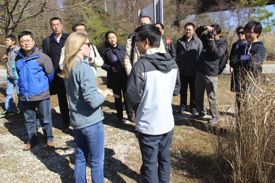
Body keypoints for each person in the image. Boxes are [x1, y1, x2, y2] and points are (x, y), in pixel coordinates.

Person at [126, 24, 180, 183]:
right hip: (167, 122)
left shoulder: (141, 65)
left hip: (149, 124)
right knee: (164, 160)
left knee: (149, 164)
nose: (135, 44)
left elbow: (131, 95)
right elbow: (176, 90)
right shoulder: (172, 63)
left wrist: (143, 103)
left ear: (146, 42)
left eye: (137, 40)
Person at [60, 32, 113, 183]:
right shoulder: (84, 69)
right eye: (88, 44)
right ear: (79, 47)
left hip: (77, 121)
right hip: (91, 122)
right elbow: (92, 101)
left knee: (81, 157)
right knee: (97, 161)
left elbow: (77, 93)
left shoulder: (69, 67)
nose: (90, 47)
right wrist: (104, 94)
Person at [15, 31, 54, 151]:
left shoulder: (42, 57)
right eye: (22, 41)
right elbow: (18, 73)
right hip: (25, 95)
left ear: (33, 41)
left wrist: (40, 85)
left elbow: (50, 74)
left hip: (41, 94)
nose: (25, 43)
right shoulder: (17, 57)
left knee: (45, 118)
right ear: (19, 43)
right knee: (29, 119)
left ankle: (49, 139)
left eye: (28, 40)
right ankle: (32, 139)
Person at [195, 24, 228, 125]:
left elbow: (216, 54)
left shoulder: (223, 43)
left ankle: (215, 116)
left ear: (218, 34)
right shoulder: (206, 38)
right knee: (198, 95)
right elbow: (197, 31)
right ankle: (201, 112)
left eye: (213, 34)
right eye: (210, 34)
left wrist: (211, 41)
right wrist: (205, 27)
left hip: (211, 73)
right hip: (200, 71)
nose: (211, 35)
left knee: (211, 97)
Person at [229, 21, 266, 109]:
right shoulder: (241, 47)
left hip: (251, 83)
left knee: (250, 108)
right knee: (239, 108)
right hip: (239, 81)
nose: (247, 34)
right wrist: (246, 59)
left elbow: (253, 63)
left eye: (250, 32)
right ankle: (239, 123)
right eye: (246, 31)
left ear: (257, 33)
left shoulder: (260, 48)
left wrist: (241, 60)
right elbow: (232, 62)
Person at [42, 17, 70, 130]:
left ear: (62, 25)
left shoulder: (69, 38)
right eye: (53, 25)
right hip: (57, 75)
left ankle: (78, 119)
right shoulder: (47, 41)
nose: (56, 26)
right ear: (51, 27)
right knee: (62, 97)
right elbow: (46, 59)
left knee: (75, 97)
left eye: (57, 24)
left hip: (70, 72)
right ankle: (66, 121)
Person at [102, 31, 134, 122]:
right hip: (114, 77)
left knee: (127, 96)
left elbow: (129, 59)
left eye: (113, 37)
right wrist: (111, 68)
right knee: (117, 97)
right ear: (107, 40)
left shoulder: (124, 48)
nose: (112, 39)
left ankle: (130, 115)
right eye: (110, 38)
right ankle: (119, 116)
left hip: (124, 76)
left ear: (116, 38)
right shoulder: (106, 52)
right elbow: (103, 64)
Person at [176, 22, 203, 115]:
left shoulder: (198, 42)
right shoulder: (179, 41)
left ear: (193, 30)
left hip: (193, 71)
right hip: (182, 71)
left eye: (190, 30)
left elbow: (200, 56)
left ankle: (193, 107)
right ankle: (182, 106)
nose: (188, 31)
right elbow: (177, 55)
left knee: (193, 90)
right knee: (183, 90)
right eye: (186, 29)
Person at [2, 34, 22, 116]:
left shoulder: (18, 50)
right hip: (9, 76)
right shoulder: (8, 50)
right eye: (6, 40)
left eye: (7, 40)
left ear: (13, 41)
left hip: (17, 76)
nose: (6, 42)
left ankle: (22, 110)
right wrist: (6, 59)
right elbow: (10, 62)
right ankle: (9, 110)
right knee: (9, 93)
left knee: (19, 93)